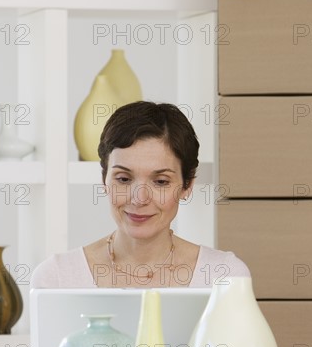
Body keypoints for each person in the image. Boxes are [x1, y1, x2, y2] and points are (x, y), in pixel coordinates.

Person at [31, 101, 250, 288]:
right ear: (104, 180)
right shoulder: (56, 278)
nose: (140, 198)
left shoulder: (224, 276)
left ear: (187, 185)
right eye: (124, 179)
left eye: (161, 182)